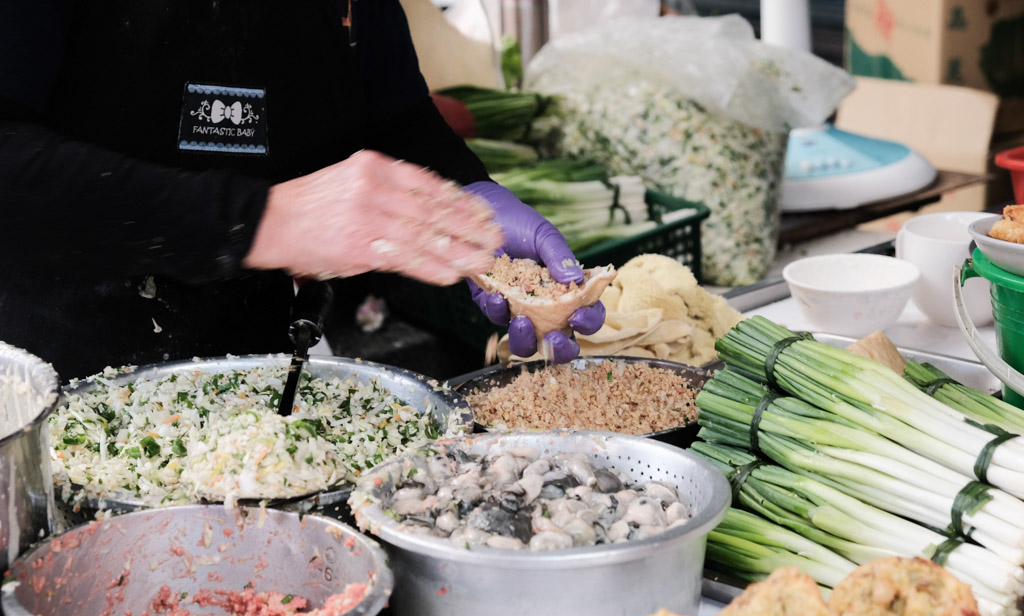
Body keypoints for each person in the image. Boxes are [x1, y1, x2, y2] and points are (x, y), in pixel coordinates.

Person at [0, 0, 605, 382]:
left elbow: (391, 113)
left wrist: (466, 196)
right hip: (50, 385)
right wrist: (260, 221)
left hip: (263, 379)